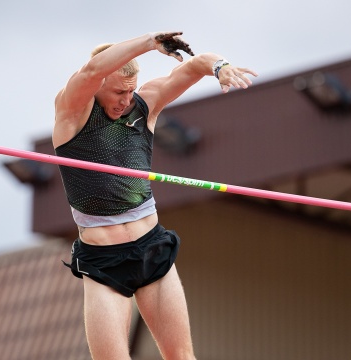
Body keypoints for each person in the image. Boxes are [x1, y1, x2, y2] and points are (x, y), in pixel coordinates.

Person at [53, 31, 257, 359]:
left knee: (181, 356)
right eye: (119, 91)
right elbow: (90, 72)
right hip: (103, 264)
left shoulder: (144, 105)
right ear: (100, 84)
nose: (125, 100)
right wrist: (150, 43)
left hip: (151, 249)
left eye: (130, 91)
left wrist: (220, 66)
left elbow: (191, 68)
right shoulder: (73, 113)